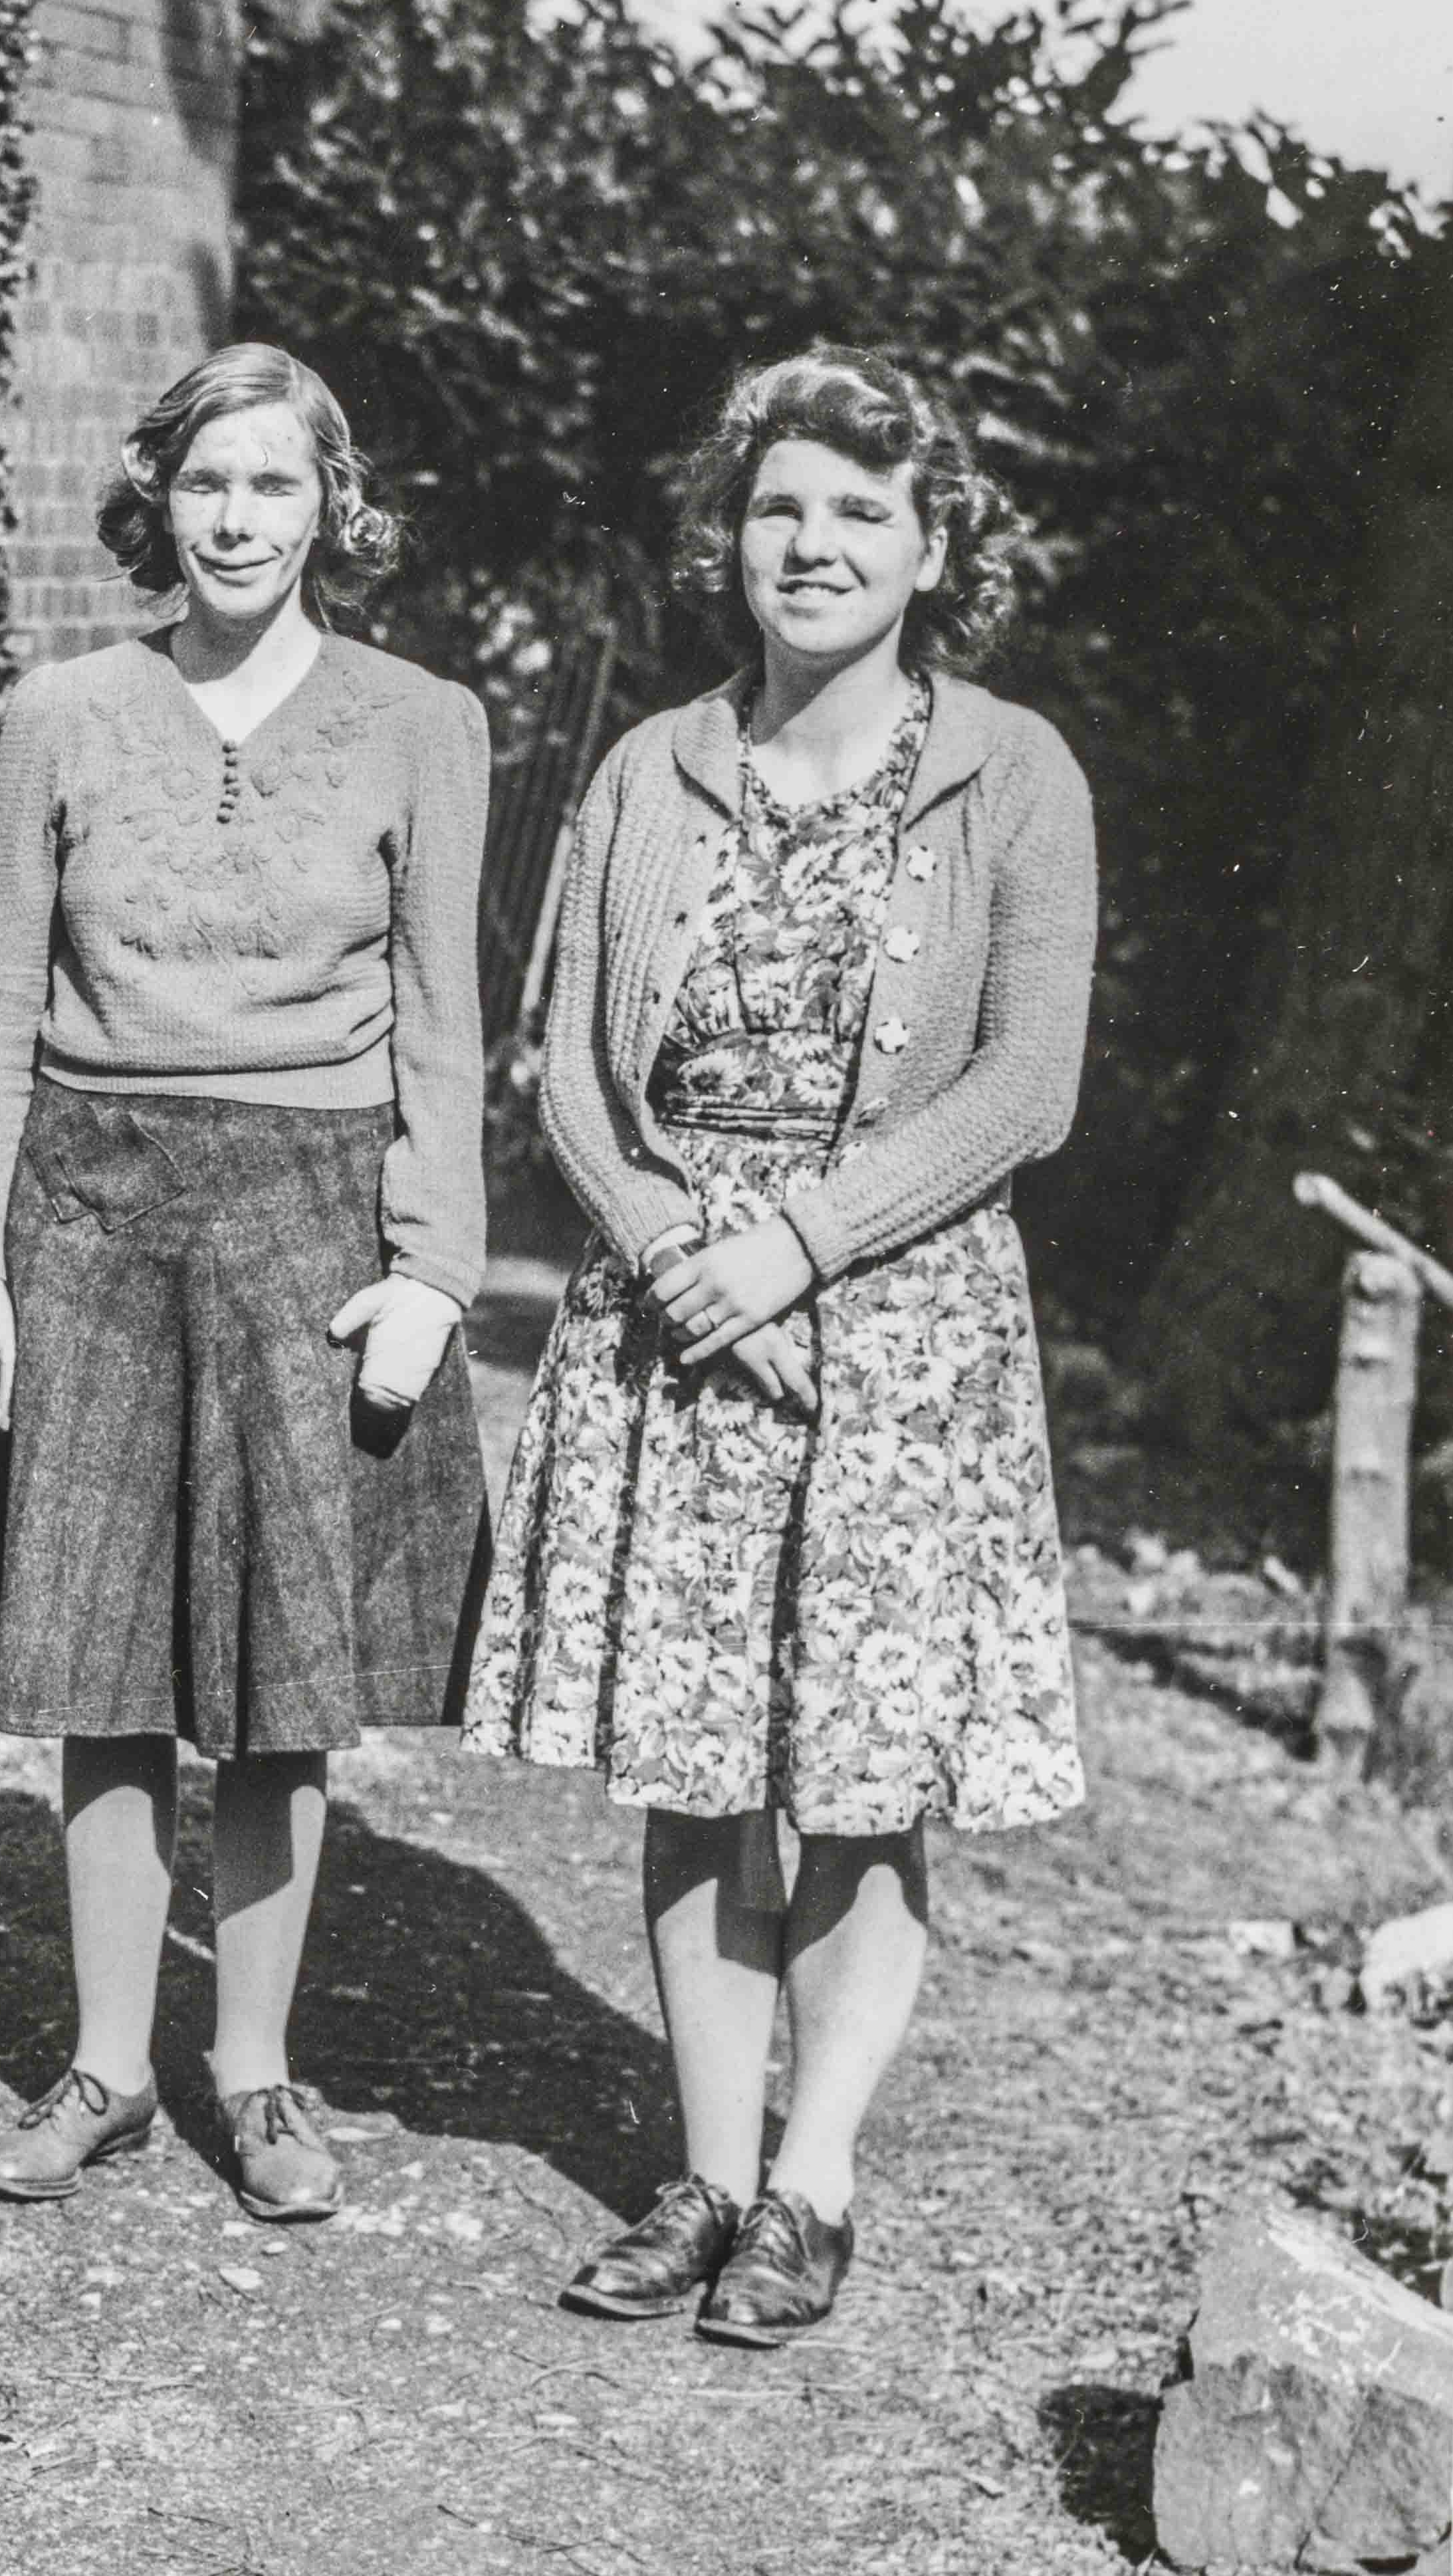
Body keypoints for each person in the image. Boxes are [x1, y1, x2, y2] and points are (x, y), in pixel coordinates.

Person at [461, 348, 1089, 2347]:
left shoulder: (1012, 768)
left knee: (860, 1770)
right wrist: (666, 1248)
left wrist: (803, 1244)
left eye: (854, 514)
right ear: (725, 539)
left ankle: (811, 2183)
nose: (808, 546)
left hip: (894, 1335)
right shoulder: (651, 767)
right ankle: (707, 2173)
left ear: (927, 548)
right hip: (675, 1323)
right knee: (695, 1762)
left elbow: (1028, 1083)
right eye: (776, 509)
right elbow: (558, 1060)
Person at [0, 345, 492, 2225]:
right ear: (154, 504)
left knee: (273, 1674)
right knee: (96, 1656)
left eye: (274, 484)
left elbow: (439, 1015)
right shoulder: (63, 711)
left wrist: (435, 1265)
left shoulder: (422, 718)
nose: (238, 520)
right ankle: (101, 2059)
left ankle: (248, 2071)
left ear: (331, 502)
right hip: (88, 1206)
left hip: (310, 1217)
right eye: (205, 485)